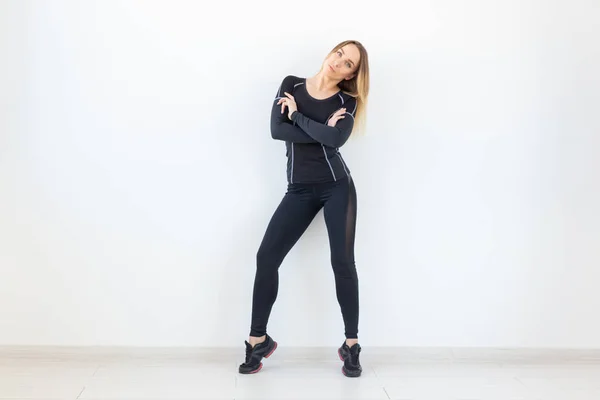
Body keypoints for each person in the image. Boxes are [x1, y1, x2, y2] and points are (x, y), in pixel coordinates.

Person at [239, 40, 370, 378]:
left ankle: (351, 346)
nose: (338, 62)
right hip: (298, 190)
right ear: (331, 53)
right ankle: (258, 341)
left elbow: (336, 141)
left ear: (351, 75)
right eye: (339, 53)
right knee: (266, 258)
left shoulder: (347, 101)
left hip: (337, 187)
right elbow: (275, 130)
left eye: (348, 63)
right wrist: (322, 130)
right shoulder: (291, 84)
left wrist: (296, 114)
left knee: (342, 262)